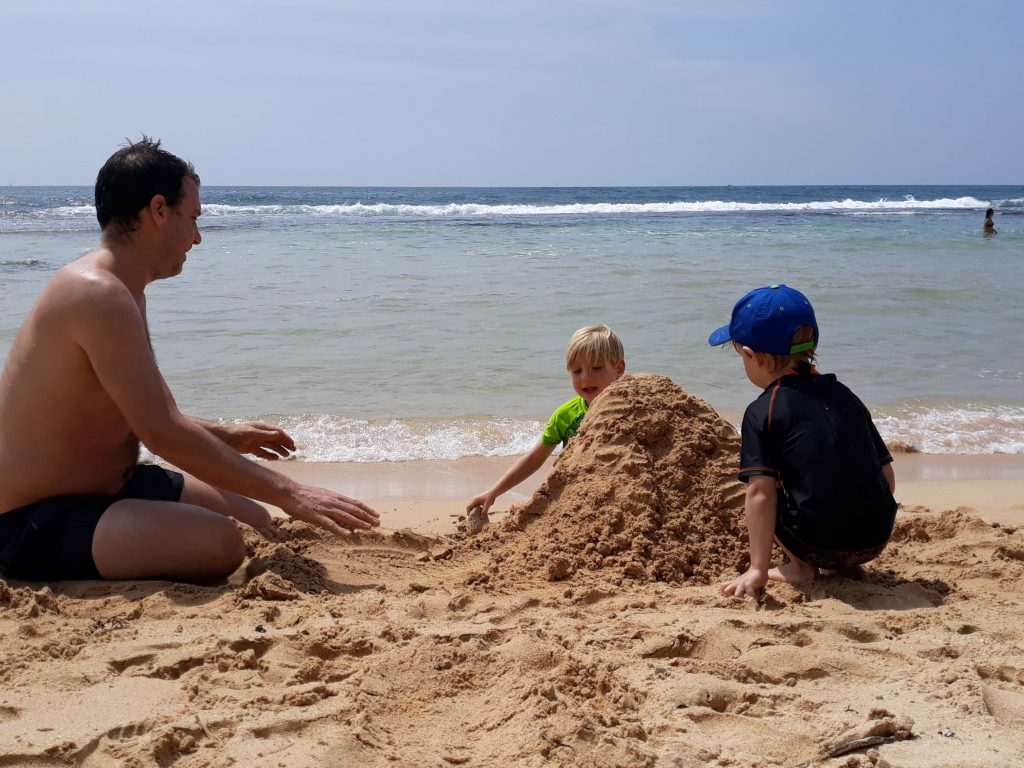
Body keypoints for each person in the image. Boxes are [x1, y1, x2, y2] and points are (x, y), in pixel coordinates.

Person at [0, 137, 379, 584]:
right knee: (219, 544)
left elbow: (146, 413)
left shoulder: (123, 290)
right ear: (159, 211)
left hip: (113, 486)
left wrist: (225, 435)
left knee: (257, 519)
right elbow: (161, 434)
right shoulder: (95, 292)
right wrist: (293, 493)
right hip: (35, 516)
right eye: (193, 218)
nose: (197, 238)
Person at [708, 284, 896, 599]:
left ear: (751, 355)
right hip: (875, 538)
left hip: (817, 544)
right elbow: (886, 477)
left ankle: (799, 566)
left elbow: (760, 494)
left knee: (767, 481)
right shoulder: (845, 395)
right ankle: (845, 564)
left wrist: (757, 568)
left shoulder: (762, 411)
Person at [465, 324, 625, 525]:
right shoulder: (566, 415)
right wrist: (494, 492)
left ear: (618, 369)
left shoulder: (632, 407)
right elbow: (535, 458)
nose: (585, 377)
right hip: (578, 499)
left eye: (596, 368)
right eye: (577, 371)